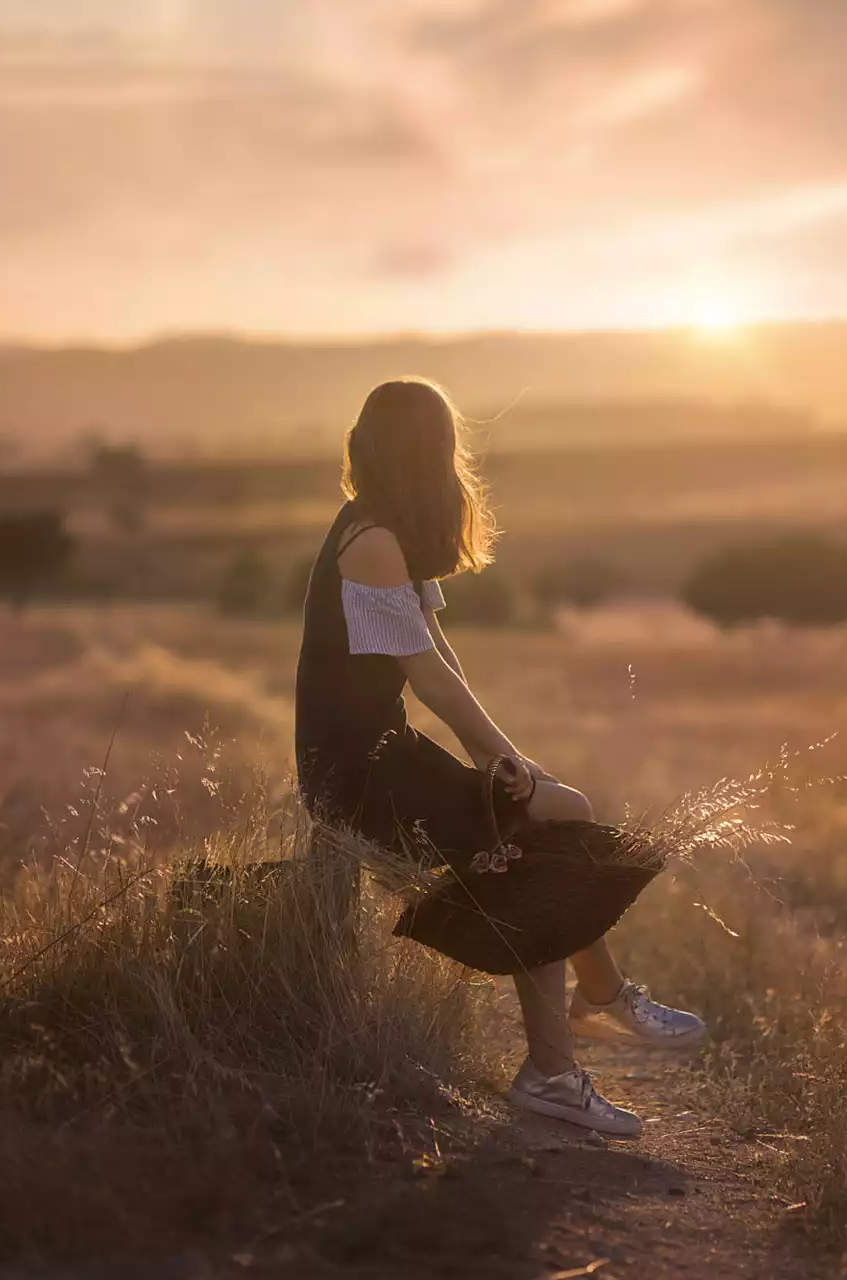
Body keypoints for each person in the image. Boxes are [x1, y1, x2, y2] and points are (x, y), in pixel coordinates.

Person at [293, 377, 704, 1138]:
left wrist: (507, 763)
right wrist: (508, 760)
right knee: (545, 829)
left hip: (383, 753)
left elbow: (439, 654)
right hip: (356, 774)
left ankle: (591, 1012)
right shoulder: (374, 542)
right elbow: (429, 680)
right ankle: (564, 1053)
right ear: (435, 452)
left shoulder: (387, 529)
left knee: (555, 810)